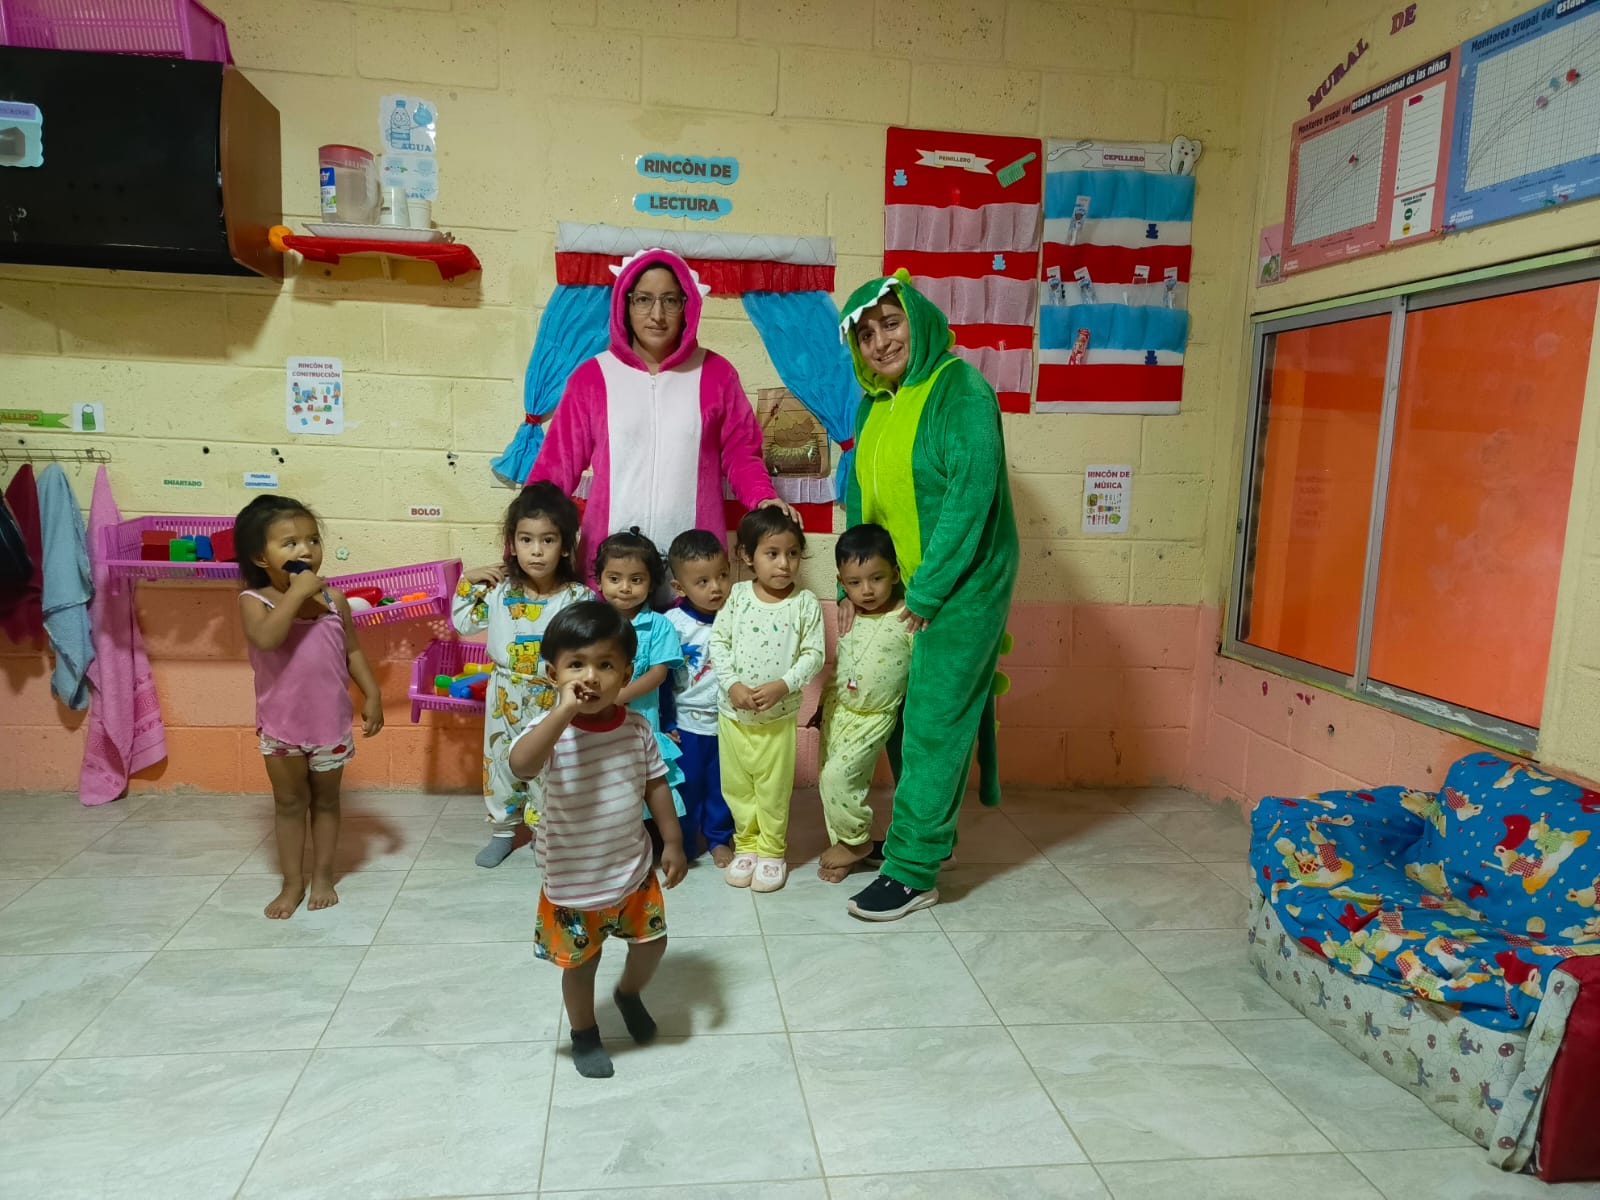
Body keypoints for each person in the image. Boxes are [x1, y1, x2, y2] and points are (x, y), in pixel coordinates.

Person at [837, 270, 1018, 922]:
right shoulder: (873, 406)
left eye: (891, 323)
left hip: (962, 586)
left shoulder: (960, 389)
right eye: (865, 334)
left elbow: (971, 498)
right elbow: (859, 499)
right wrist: (850, 585)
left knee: (934, 724)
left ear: (918, 320)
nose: (880, 342)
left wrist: (932, 591)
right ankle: (926, 836)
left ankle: (913, 870)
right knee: (898, 713)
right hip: (899, 588)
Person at [526, 246, 796, 584]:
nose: (657, 314)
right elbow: (556, 468)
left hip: (695, 574)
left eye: (670, 300)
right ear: (625, 303)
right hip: (612, 573)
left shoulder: (717, 374)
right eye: (644, 299)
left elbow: (742, 453)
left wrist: (763, 497)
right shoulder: (592, 377)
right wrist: (518, 547)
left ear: (687, 306)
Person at [508, 601, 687, 1078]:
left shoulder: (637, 729)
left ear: (626, 674)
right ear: (553, 674)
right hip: (574, 881)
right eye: (576, 665)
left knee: (651, 946)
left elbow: (655, 784)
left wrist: (672, 841)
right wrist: (563, 711)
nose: (590, 677)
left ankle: (628, 994)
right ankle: (584, 1032)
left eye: (606, 665)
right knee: (581, 964)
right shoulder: (548, 733)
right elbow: (521, 765)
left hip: (633, 870)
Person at [234, 495, 384, 919]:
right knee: (289, 803)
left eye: (312, 540)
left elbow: (352, 651)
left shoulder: (334, 599)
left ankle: (322, 875)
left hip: (329, 726)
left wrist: (372, 693)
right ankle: (291, 882)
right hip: (280, 728)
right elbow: (267, 639)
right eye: (290, 543)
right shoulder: (254, 600)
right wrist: (296, 594)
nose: (305, 551)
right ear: (261, 557)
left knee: (327, 802)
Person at [452, 482, 591, 867]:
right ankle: (503, 831)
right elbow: (463, 623)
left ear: (565, 546)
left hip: (554, 698)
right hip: (504, 694)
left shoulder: (578, 598)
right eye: (526, 539)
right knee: (500, 763)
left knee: (551, 766)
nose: (536, 550)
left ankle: (545, 831)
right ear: (512, 544)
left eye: (548, 540)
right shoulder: (499, 592)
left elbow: (590, 648)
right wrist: (469, 582)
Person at [710, 507, 825, 893]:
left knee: (773, 790)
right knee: (738, 787)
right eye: (772, 553)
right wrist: (732, 685)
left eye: (792, 553)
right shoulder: (737, 596)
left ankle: (773, 851)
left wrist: (783, 685)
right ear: (747, 556)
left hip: (778, 718)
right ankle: (746, 845)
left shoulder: (805, 603)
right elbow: (718, 643)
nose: (784, 563)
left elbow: (814, 655)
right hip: (732, 715)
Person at [812, 524, 915, 883]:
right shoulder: (848, 613)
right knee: (829, 783)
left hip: (875, 715)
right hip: (839, 709)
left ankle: (857, 843)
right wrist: (823, 703)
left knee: (837, 777)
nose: (866, 590)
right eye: (854, 583)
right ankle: (844, 846)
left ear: (895, 574)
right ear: (841, 582)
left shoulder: (906, 618)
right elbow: (842, 665)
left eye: (877, 578)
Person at [593, 529, 686, 827]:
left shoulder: (659, 625)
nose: (625, 588)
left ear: (651, 583)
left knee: (646, 783)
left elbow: (658, 673)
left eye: (636, 580)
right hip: (597, 725)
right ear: (599, 581)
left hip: (642, 723)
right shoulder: (590, 622)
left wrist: (619, 697)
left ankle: (654, 839)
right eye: (614, 578)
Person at [664, 528, 734, 867]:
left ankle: (719, 838)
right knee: (687, 785)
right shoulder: (671, 624)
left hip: (728, 721)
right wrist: (666, 722)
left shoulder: (737, 614)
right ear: (680, 587)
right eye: (702, 582)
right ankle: (685, 841)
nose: (716, 587)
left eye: (722, 576)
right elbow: (662, 678)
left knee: (723, 786)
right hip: (686, 724)